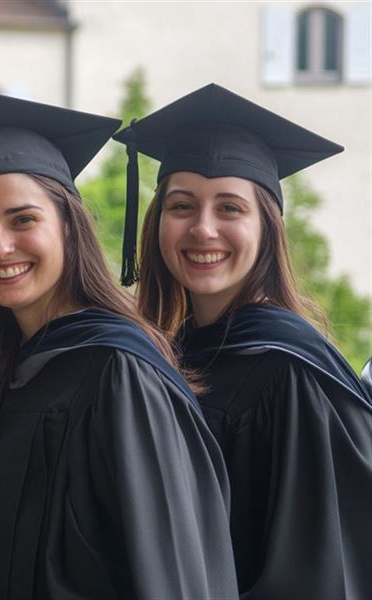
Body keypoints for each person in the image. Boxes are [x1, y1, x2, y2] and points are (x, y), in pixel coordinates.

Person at [0, 88, 238, 599]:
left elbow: (171, 576)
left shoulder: (121, 373)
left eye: (23, 219)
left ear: (67, 225)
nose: (0, 246)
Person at [118, 83, 372, 600]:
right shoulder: (163, 357)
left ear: (266, 228)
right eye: (182, 206)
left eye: (230, 209)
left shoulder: (291, 371)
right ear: (156, 222)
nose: (203, 229)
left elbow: (318, 570)